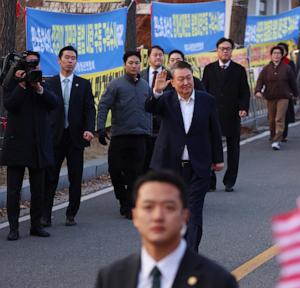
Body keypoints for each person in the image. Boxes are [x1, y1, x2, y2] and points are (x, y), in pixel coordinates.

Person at [95, 170, 238, 288]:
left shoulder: (218, 282)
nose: (158, 216)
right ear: (136, 216)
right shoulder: (110, 279)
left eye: (169, 207)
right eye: (148, 207)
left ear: (184, 216)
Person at [145, 61, 224, 252]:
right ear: (172, 82)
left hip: (197, 167)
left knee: (193, 213)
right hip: (170, 168)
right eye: (180, 79)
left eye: (188, 78)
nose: (186, 82)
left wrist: (218, 158)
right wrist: (156, 91)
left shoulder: (206, 100)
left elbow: (214, 130)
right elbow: (149, 107)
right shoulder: (165, 100)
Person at [1, 51, 58, 240]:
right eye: (30, 66)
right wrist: (23, 85)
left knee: (38, 189)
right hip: (16, 144)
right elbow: (9, 104)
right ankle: (13, 228)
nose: (34, 70)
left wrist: (38, 88)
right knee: (13, 190)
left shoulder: (43, 83)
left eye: (36, 66)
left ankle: (36, 225)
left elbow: (53, 103)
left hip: (38, 145)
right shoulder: (12, 83)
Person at [42, 45, 96, 227]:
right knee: (50, 177)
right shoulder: (49, 83)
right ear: (59, 60)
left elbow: (90, 110)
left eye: (73, 58)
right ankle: (45, 214)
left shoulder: (84, 84)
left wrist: (90, 129)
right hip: (54, 137)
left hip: (75, 137)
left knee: (75, 177)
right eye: (67, 57)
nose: (70, 61)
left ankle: (71, 213)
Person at [97, 51, 151, 219]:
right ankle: (123, 199)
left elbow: (151, 109)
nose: (134, 66)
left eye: (137, 63)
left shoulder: (145, 86)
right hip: (120, 135)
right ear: (125, 64)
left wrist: (149, 130)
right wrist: (100, 128)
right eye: (131, 63)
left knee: (136, 172)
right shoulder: (116, 85)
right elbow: (104, 105)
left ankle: (131, 204)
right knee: (115, 170)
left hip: (141, 135)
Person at [202, 37, 250, 192]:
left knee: (233, 149)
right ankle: (210, 180)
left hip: (232, 113)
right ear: (217, 50)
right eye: (222, 48)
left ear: (232, 51)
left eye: (228, 48)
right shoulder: (209, 69)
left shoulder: (239, 70)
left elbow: (244, 92)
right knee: (209, 148)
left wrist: (243, 107)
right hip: (212, 114)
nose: (225, 51)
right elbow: (204, 91)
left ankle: (230, 181)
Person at [255, 46, 298, 151]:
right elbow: (260, 81)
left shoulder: (287, 68)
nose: (276, 55)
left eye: (279, 53)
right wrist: (258, 91)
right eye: (274, 53)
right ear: (271, 55)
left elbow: (293, 82)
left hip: (284, 97)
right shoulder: (266, 69)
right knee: (271, 120)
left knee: (279, 118)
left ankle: (277, 140)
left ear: (282, 55)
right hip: (270, 97)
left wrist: (296, 94)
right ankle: (273, 135)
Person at [140, 45, 172, 172]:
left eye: (161, 55)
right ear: (148, 58)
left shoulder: (170, 76)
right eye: (155, 54)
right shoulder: (140, 75)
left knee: (161, 160)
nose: (158, 57)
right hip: (144, 122)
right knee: (145, 160)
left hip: (163, 122)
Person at [277, 42, 297, 142]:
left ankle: (283, 134)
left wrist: (293, 92)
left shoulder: (289, 63)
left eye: (282, 50)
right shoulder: (272, 63)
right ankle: (275, 133)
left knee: (285, 115)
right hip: (274, 93)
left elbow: (293, 79)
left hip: (286, 92)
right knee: (274, 115)